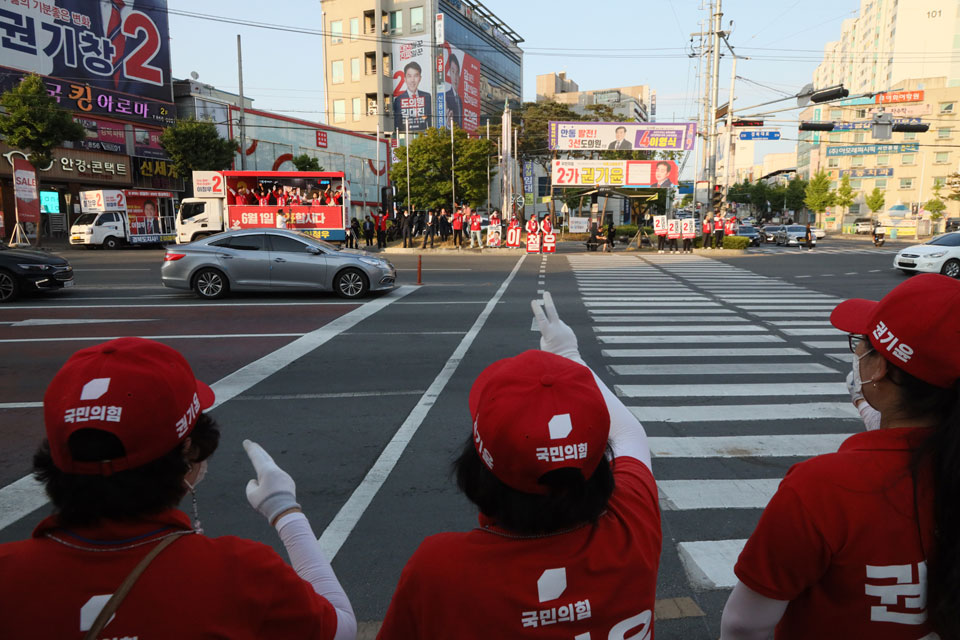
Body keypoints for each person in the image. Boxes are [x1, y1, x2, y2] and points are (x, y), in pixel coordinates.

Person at [0, 337, 356, 639]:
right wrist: (285, 512)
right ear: (189, 449)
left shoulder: (9, 575)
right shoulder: (240, 575)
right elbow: (341, 627)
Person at [378, 292, 661, 639]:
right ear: (598, 463)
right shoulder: (632, 522)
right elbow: (632, 434)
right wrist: (569, 355)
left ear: (479, 465)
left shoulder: (440, 569)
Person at [721, 274, 960, 640]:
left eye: (861, 344)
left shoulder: (824, 487)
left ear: (881, 369)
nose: (857, 354)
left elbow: (744, 624)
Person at [393, 61, 432, 131]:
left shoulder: (427, 97)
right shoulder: (398, 100)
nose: (412, 80)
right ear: (404, 79)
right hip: (406, 137)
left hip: (425, 137)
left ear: (420, 78)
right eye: (409, 76)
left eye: (416, 76)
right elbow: (397, 125)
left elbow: (430, 120)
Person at [443, 53, 464, 128]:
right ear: (449, 74)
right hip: (447, 136)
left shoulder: (460, 100)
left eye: (457, 72)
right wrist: (448, 125)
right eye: (452, 71)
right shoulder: (445, 96)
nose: (455, 77)